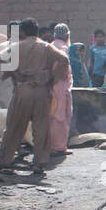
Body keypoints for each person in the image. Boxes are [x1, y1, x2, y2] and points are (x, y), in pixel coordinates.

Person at [0, 19, 68, 176]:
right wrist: (52, 77)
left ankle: (4, 161)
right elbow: (64, 60)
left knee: (14, 126)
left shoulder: (16, 47)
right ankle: (39, 163)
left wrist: (12, 73)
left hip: (22, 90)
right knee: (41, 127)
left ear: (22, 32)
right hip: (41, 91)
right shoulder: (46, 47)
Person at [48, 23, 74, 156]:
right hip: (60, 86)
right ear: (67, 35)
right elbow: (61, 65)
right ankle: (59, 146)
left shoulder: (51, 46)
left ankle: (52, 145)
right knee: (61, 116)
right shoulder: (63, 48)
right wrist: (57, 79)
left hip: (52, 86)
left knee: (52, 114)